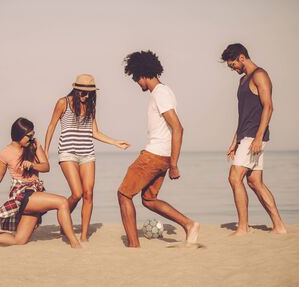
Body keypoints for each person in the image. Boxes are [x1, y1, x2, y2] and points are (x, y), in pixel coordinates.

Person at [118, 50, 199, 248]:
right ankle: (189, 224)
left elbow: (178, 127)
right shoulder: (165, 91)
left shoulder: (160, 93)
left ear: (142, 74)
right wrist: (169, 161)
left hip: (154, 155)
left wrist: (174, 164)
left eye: (136, 79)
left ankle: (133, 244)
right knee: (148, 199)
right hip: (160, 156)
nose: (137, 83)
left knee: (124, 194)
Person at [0, 117, 81, 248]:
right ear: (19, 135)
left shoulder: (34, 144)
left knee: (20, 240)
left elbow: (46, 167)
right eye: (29, 136)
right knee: (62, 202)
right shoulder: (5, 153)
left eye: (33, 135)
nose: (32, 138)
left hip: (35, 192)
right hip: (21, 194)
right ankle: (75, 243)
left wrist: (33, 165)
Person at [44, 74, 130, 242]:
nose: (86, 96)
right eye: (83, 92)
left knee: (88, 193)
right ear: (76, 89)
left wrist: (115, 142)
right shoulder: (63, 102)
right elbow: (52, 125)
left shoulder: (90, 106)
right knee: (76, 193)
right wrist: (45, 151)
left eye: (90, 93)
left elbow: (95, 132)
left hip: (87, 153)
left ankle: (84, 236)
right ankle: (63, 215)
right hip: (68, 152)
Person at [221, 43, 287, 235]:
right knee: (255, 182)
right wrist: (235, 141)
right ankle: (279, 226)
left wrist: (258, 138)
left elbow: (268, 107)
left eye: (233, 64)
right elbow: (244, 115)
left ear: (242, 58)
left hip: (254, 136)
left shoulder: (260, 75)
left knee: (234, 177)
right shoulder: (242, 81)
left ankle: (243, 228)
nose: (233, 69)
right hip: (246, 136)